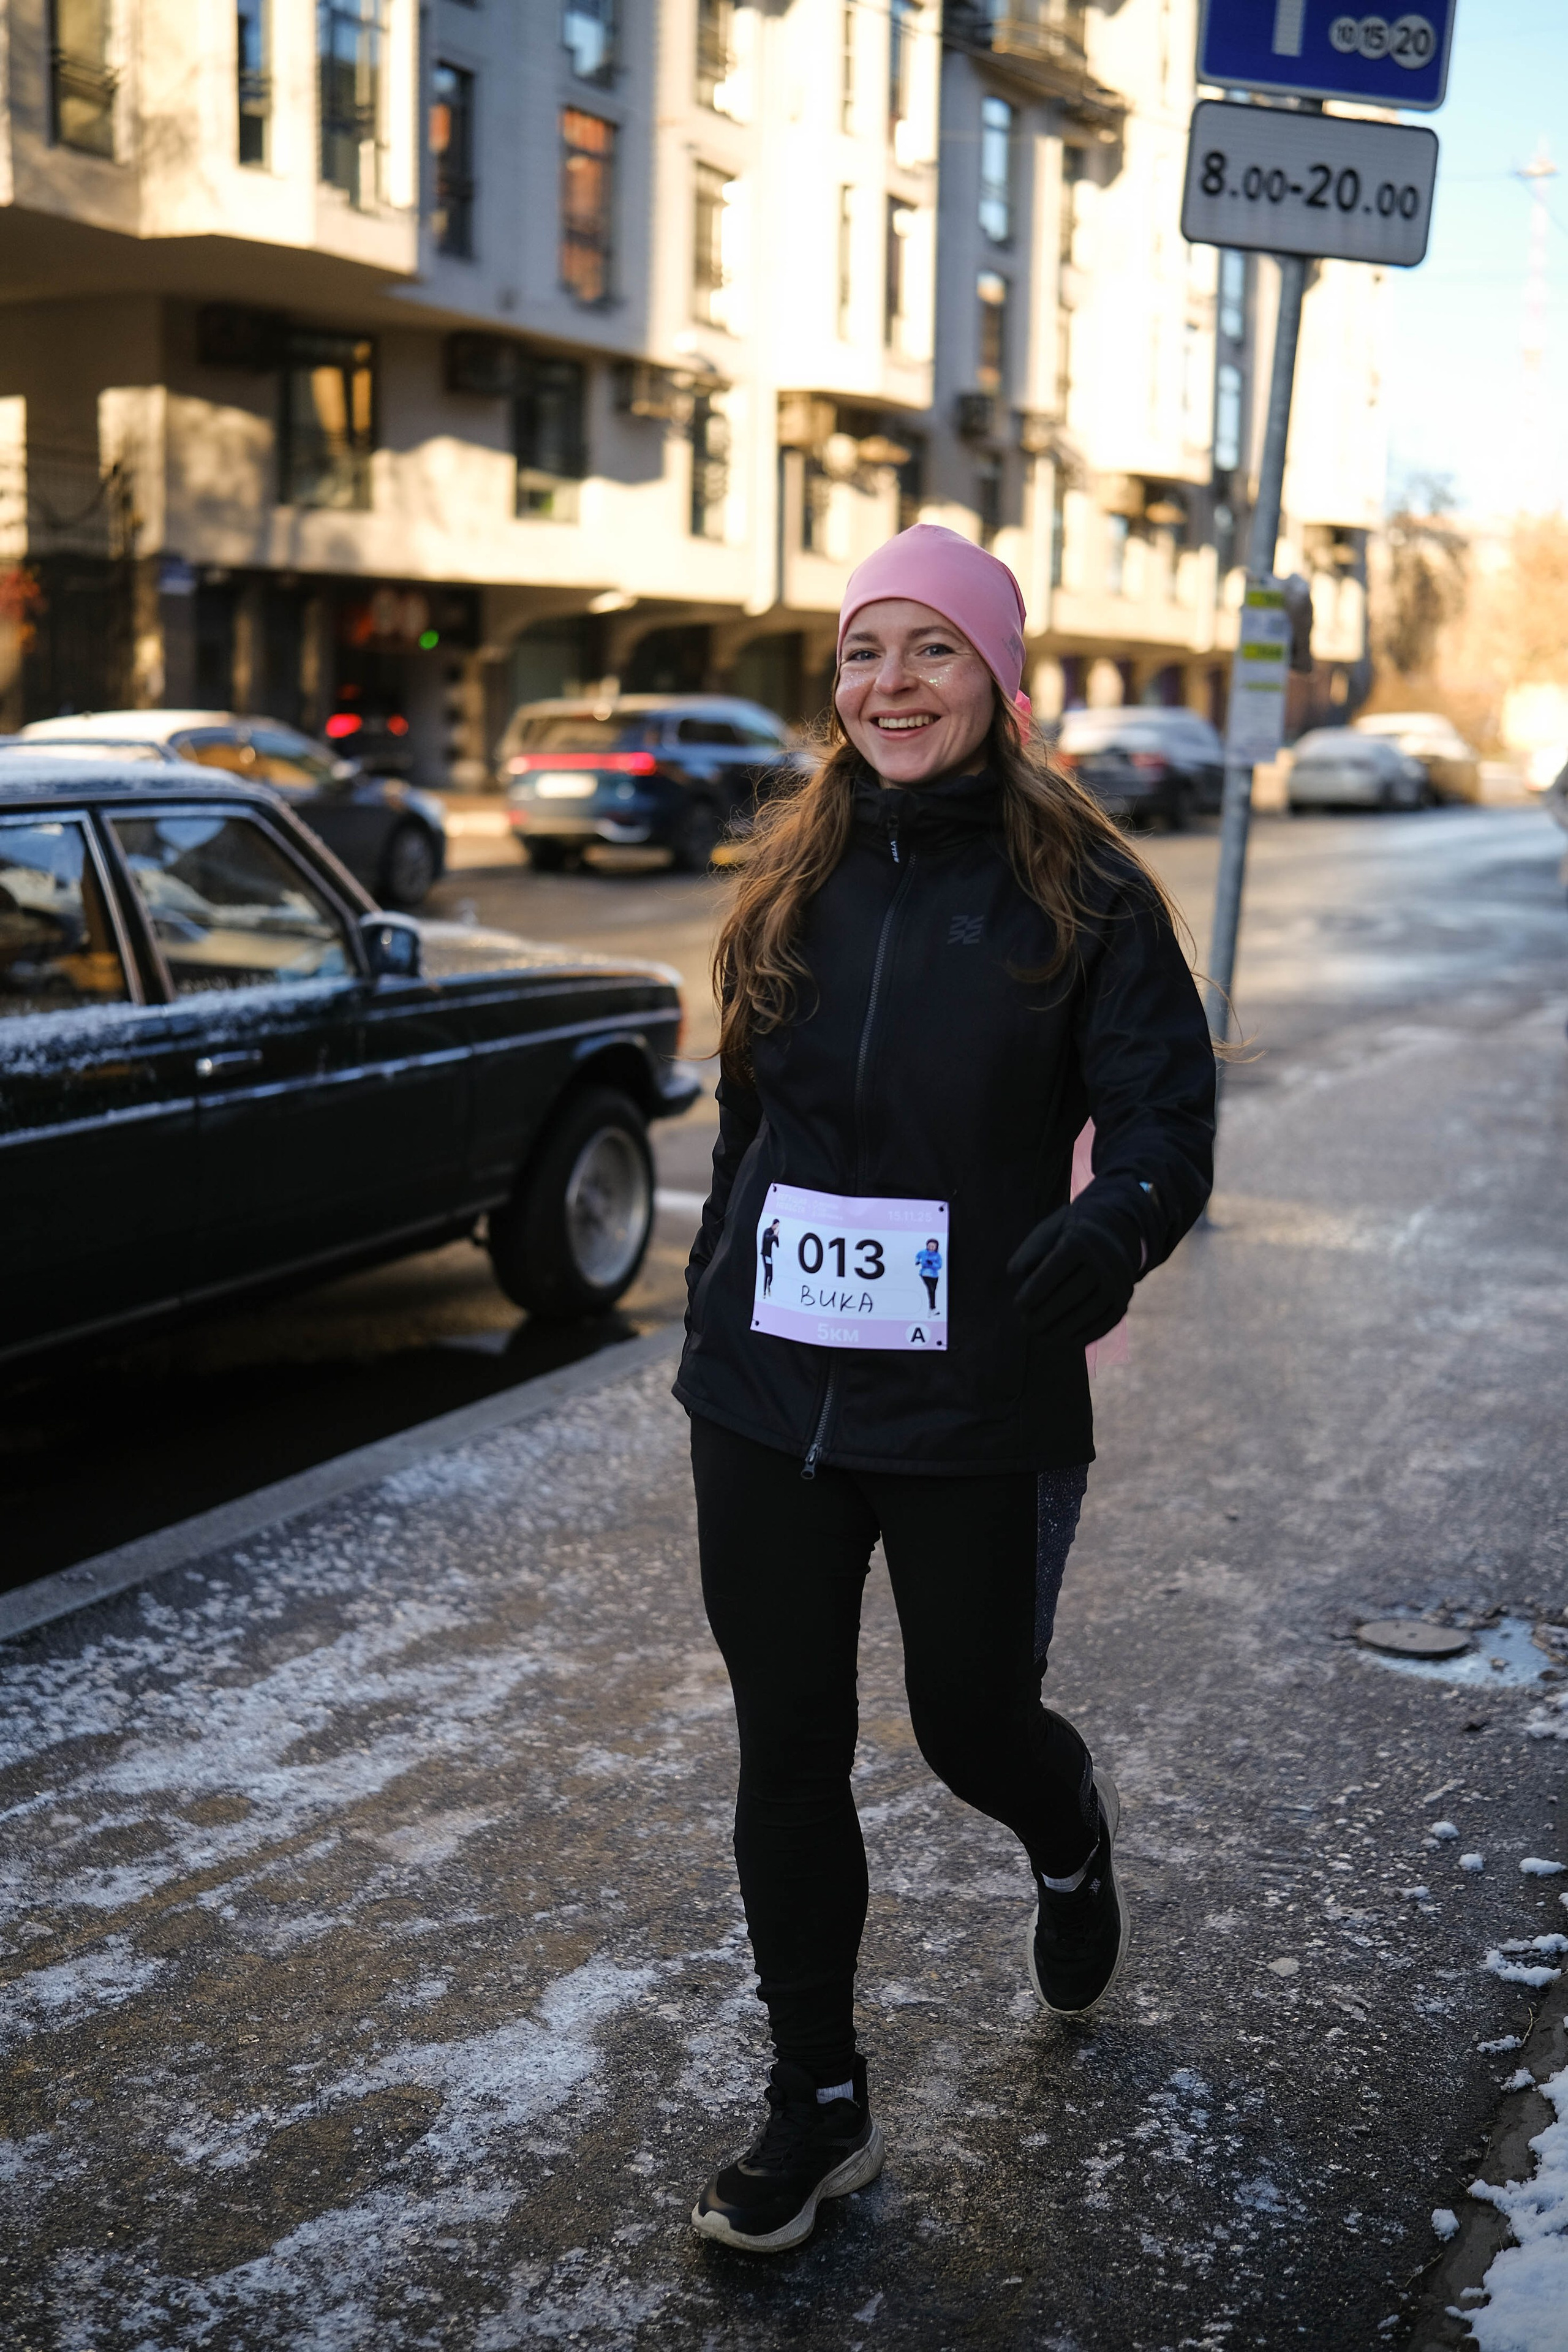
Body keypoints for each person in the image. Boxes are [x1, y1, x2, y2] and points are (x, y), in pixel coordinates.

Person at [676, 524, 1216, 2255]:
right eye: (863, 653)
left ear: (995, 677)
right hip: (768, 1396)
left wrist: (1118, 1220)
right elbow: (747, 1110)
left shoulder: (1090, 895)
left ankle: (1065, 1835)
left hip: (973, 1391)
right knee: (790, 1747)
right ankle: (817, 2105)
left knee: (970, 1722)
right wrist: (714, 1284)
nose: (890, 685)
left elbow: (1163, 1119)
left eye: (931, 652)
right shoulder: (791, 870)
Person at [914, 1235, 942, 1314]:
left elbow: (939, 1266)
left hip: (934, 1275)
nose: (931, 1248)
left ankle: (932, 1308)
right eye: (929, 1246)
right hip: (925, 1274)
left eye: (933, 1246)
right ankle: (932, 1308)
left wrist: (932, 1263)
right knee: (931, 1290)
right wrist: (917, 1261)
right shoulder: (923, 1252)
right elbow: (918, 1256)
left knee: (933, 1291)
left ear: (936, 1247)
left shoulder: (938, 1256)